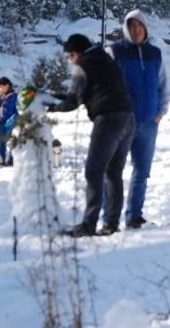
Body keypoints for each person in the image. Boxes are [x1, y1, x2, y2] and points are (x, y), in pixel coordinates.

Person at [48, 34, 136, 237]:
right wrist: (55, 96)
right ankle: (111, 224)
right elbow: (86, 92)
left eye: (70, 56)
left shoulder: (83, 66)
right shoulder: (105, 59)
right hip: (128, 117)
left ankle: (88, 225)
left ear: (76, 53)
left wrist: (51, 106)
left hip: (107, 120)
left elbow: (72, 102)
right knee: (113, 173)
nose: (70, 60)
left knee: (93, 171)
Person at [109, 10, 168, 230]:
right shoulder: (115, 52)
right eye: (132, 26)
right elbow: (104, 85)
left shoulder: (155, 53)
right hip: (122, 123)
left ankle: (134, 215)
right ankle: (110, 216)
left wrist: (161, 111)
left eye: (140, 26)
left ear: (146, 29)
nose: (136, 30)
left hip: (148, 124)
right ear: (126, 28)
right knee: (113, 170)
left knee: (142, 171)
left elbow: (163, 85)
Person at [0, 77, 19, 166]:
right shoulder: (1, 96)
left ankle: (12, 159)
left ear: (7, 86)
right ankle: (2, 159)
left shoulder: (13, 96)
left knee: (11, 141)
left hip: (9, 122)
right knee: (2, 141)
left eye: (0, 87)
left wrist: (12, 119)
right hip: (1, 122)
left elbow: (13, 110)